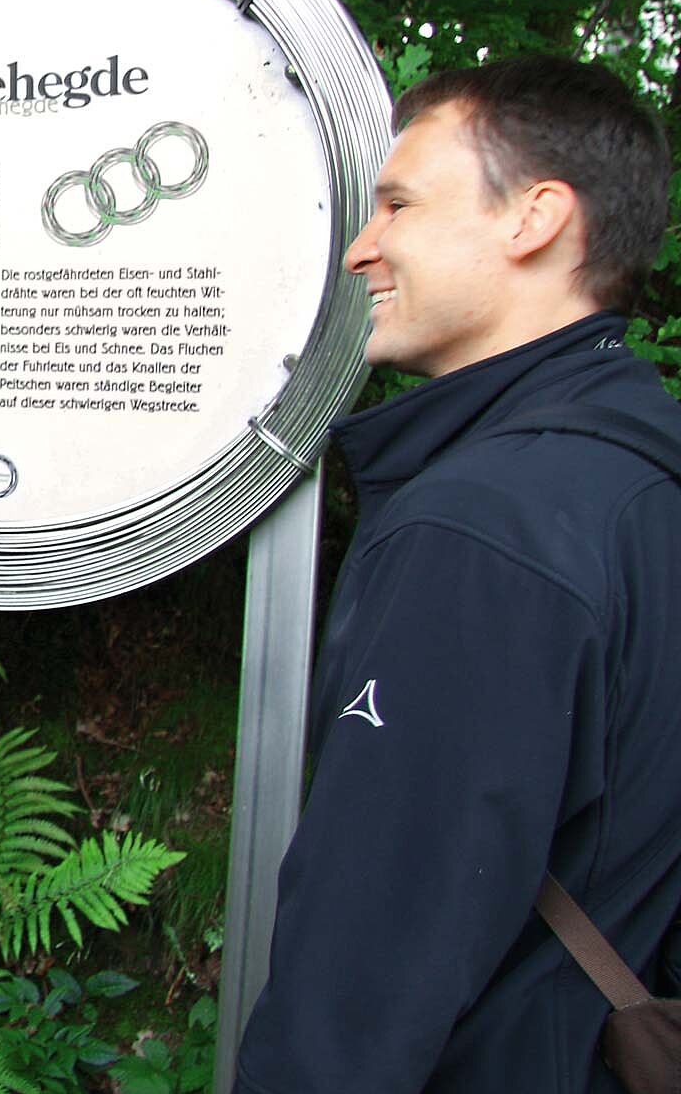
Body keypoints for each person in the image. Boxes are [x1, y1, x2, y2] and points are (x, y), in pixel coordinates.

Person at [233, 56, 681, 1093]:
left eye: (399, 205)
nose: (362, 249)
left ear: (535, 218)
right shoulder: (640, 482)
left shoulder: (484, 530)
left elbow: (365, 969)